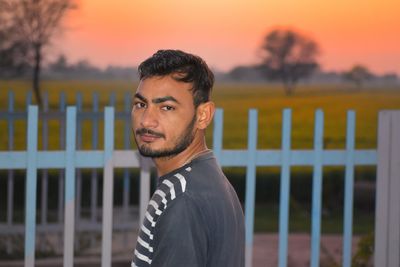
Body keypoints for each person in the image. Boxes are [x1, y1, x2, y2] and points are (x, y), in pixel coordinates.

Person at [131, 49, 245, 267]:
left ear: (203, 115)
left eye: (166, 107)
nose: (146, 121)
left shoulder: (183, 199)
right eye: (141, 104)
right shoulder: (206, 176)